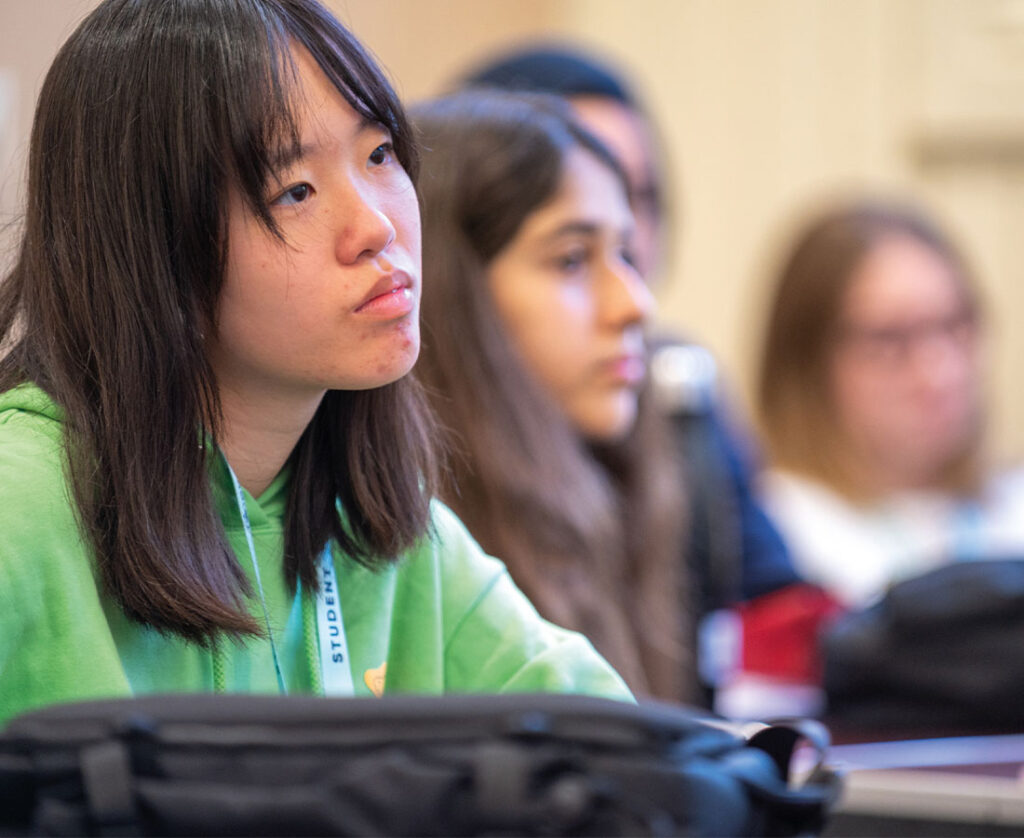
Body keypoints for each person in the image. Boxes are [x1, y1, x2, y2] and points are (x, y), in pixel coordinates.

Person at [0, 0, 631, 726]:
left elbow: (623, 752)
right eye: (294, 190)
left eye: (380, 155)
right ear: (153, 248)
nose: (377, 225)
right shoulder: (23, 502)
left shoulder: (382, 526)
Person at [457, 44, 801, 619]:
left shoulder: (679, 388)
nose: (633, 257)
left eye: (638, 200)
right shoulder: (403, 472)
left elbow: (778, 610)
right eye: (570, 248)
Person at [411, 90, 695, 703]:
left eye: (625, 253)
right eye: (571, 259)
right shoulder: (410, 555)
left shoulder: (627, 496)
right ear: (449, 294)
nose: (634, 303)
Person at [756, 198, 1024, 608]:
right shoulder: (777, 532)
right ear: (805, 363)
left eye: (955, 326)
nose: (939, 373)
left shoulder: (1011, 506)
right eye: (891, 341)